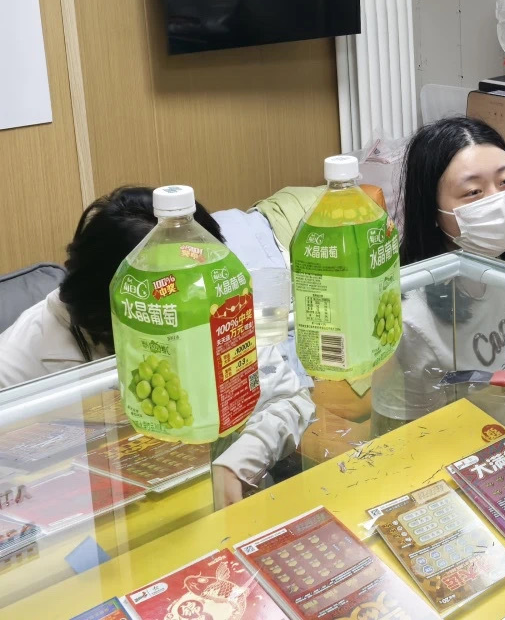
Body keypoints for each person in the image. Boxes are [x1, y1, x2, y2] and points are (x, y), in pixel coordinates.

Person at [0, 187, 316, 505]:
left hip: (204, 497)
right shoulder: (24, 356)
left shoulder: (209, 300)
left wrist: (236, 466)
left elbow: (288, 400)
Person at [372, 116, 505, 432]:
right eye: (473, 192)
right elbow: (409, 435)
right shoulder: (411, 315)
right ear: (431, 209)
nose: (498, 201)